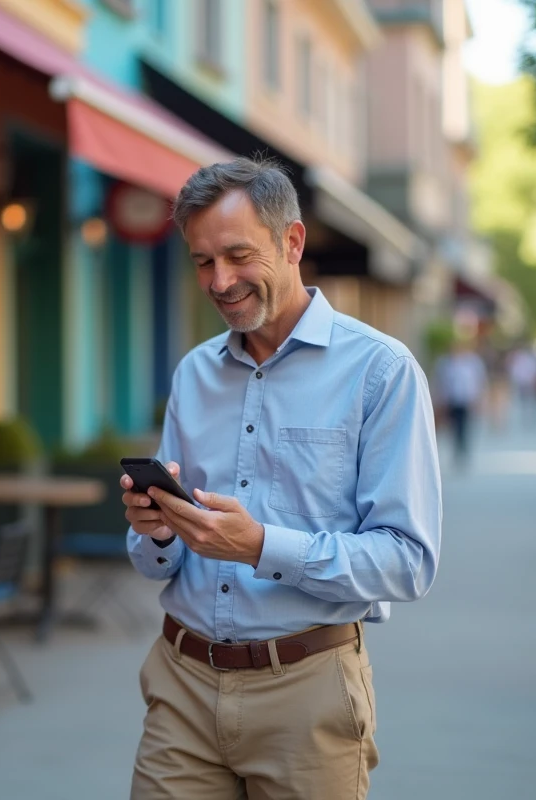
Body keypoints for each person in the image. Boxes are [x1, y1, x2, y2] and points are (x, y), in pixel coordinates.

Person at [120, 158, 442, 800]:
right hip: (180, 686)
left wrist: (261, 545)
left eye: (239, 255)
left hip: (308, 692)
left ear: (292, 242)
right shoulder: (193, 374)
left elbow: (409, 562)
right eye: (203, 261)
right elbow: (156, 564)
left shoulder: (382, 372)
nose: (221, 280)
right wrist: (157, 531)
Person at [434, 338, 488, 467]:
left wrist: (479, 400)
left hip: (466, 400)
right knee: (454, 426)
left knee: (464, 425)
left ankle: (463, 448)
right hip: (451, 400)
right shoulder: (445, 364)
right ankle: (457, 448)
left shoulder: (473, 363)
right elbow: (440, 382)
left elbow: (479, 381)